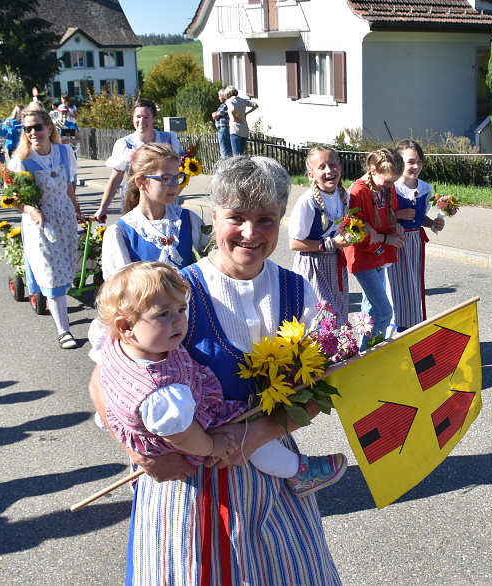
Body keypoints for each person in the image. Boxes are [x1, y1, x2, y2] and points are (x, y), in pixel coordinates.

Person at [89, 155, 342, 585]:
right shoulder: (170, 293)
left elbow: (320, 387)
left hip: (271, 484)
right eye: (235, 217)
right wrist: (140, 455)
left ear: (281, 218)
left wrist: (258, 434)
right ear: (214, 216)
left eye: (265, 219)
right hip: (186, 487)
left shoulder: (298, 290)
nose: (250, 232)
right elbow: (104, 380)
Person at [96, 261, 347, 499]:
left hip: (160, 434)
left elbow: (106, 384)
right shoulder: (161, 393)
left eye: (182, 309)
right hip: (190, 439)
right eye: (163, 314)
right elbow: (182, 435)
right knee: (248, 441)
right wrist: (213, 445)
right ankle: (298, 471)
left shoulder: (121, 346)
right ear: (126, 326)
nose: (178, 321)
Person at [8, 107, 87, 349]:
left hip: (64, 218)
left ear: (49, 128)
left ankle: (61, 317)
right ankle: (64, 331)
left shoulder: (64, 152)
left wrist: (77, 210)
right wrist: (33, 211)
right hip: (39, 224)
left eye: (37, 127)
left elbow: (69, 186)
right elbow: (14, 199)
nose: (33, 132)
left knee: (65, 269)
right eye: (28, 129)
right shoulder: (21, 161)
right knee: (52, 274)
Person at [100, 143, 203, 279]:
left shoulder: (189, 221)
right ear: (141, 182)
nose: (174, 185)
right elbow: (119, 293)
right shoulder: (121, 233)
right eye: (166, 178)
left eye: (177, 177)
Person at [343, 148, 405, 350]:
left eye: (393, 182)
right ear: (372, 170)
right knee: (384, 312)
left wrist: (397, 226)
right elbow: (356, 234)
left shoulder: (386, 187)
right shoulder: (357, 191)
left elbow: (392, 211)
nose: (391, 185)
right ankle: (371, 354)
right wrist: (385, 238)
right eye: (388, 181)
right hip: (364, 258)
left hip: (380, 254)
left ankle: (362, 351)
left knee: (370, 309)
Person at [289, 146, 359, 321]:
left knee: (338, 316)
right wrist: (330, 243)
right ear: (311, 175)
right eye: (322, 167)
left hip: (335, 264)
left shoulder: (344, 196)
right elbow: (294, 243)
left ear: (340, 168)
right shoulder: (307, 202)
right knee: (321, 319)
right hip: (312, 265)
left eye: (333, 165)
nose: (329, 171)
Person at [386, 140, 445, 334]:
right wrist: (399, 215)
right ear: (398, 162)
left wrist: (433, 224)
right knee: (398, 289)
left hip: (415, 244)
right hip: (396, 242)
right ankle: (396, 330)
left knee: (413, 287)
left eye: (419, 161)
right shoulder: (391, 188)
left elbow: (420, 218)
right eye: (410, 162)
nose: (416, 166)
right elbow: (379, 217)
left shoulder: (425, 188)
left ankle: (412, 328)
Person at [93, 98, 183, 223]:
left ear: (154, 118)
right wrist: (103, 208)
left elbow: (180, 169)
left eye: (146, 117)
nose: (141, 121)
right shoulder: (125, 144)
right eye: (138, 116)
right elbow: (115, 178)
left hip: (164, 196)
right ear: (133, 119)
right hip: (135, 198)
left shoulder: (169, 139)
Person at [224, 85, 258, 155]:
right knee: (242, 153)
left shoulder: (229, 101)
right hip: (244, 128)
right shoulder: (242, 101)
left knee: (236, 154)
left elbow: (232, 109)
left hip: (235, 129)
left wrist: (235, 118)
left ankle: (238, 166)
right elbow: (255, 105)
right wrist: (246, 113)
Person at [211, 87, 231, 159]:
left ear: (224, 95)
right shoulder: (223, 105)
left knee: (225, 151)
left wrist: (215, 114)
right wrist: (214, 114)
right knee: (226, 150)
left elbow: (216, 116)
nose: (219, 98)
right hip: (223, 129)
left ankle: (226, 165)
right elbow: (215, 114)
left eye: (220, 96)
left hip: (223, 129)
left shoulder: (225, 105)